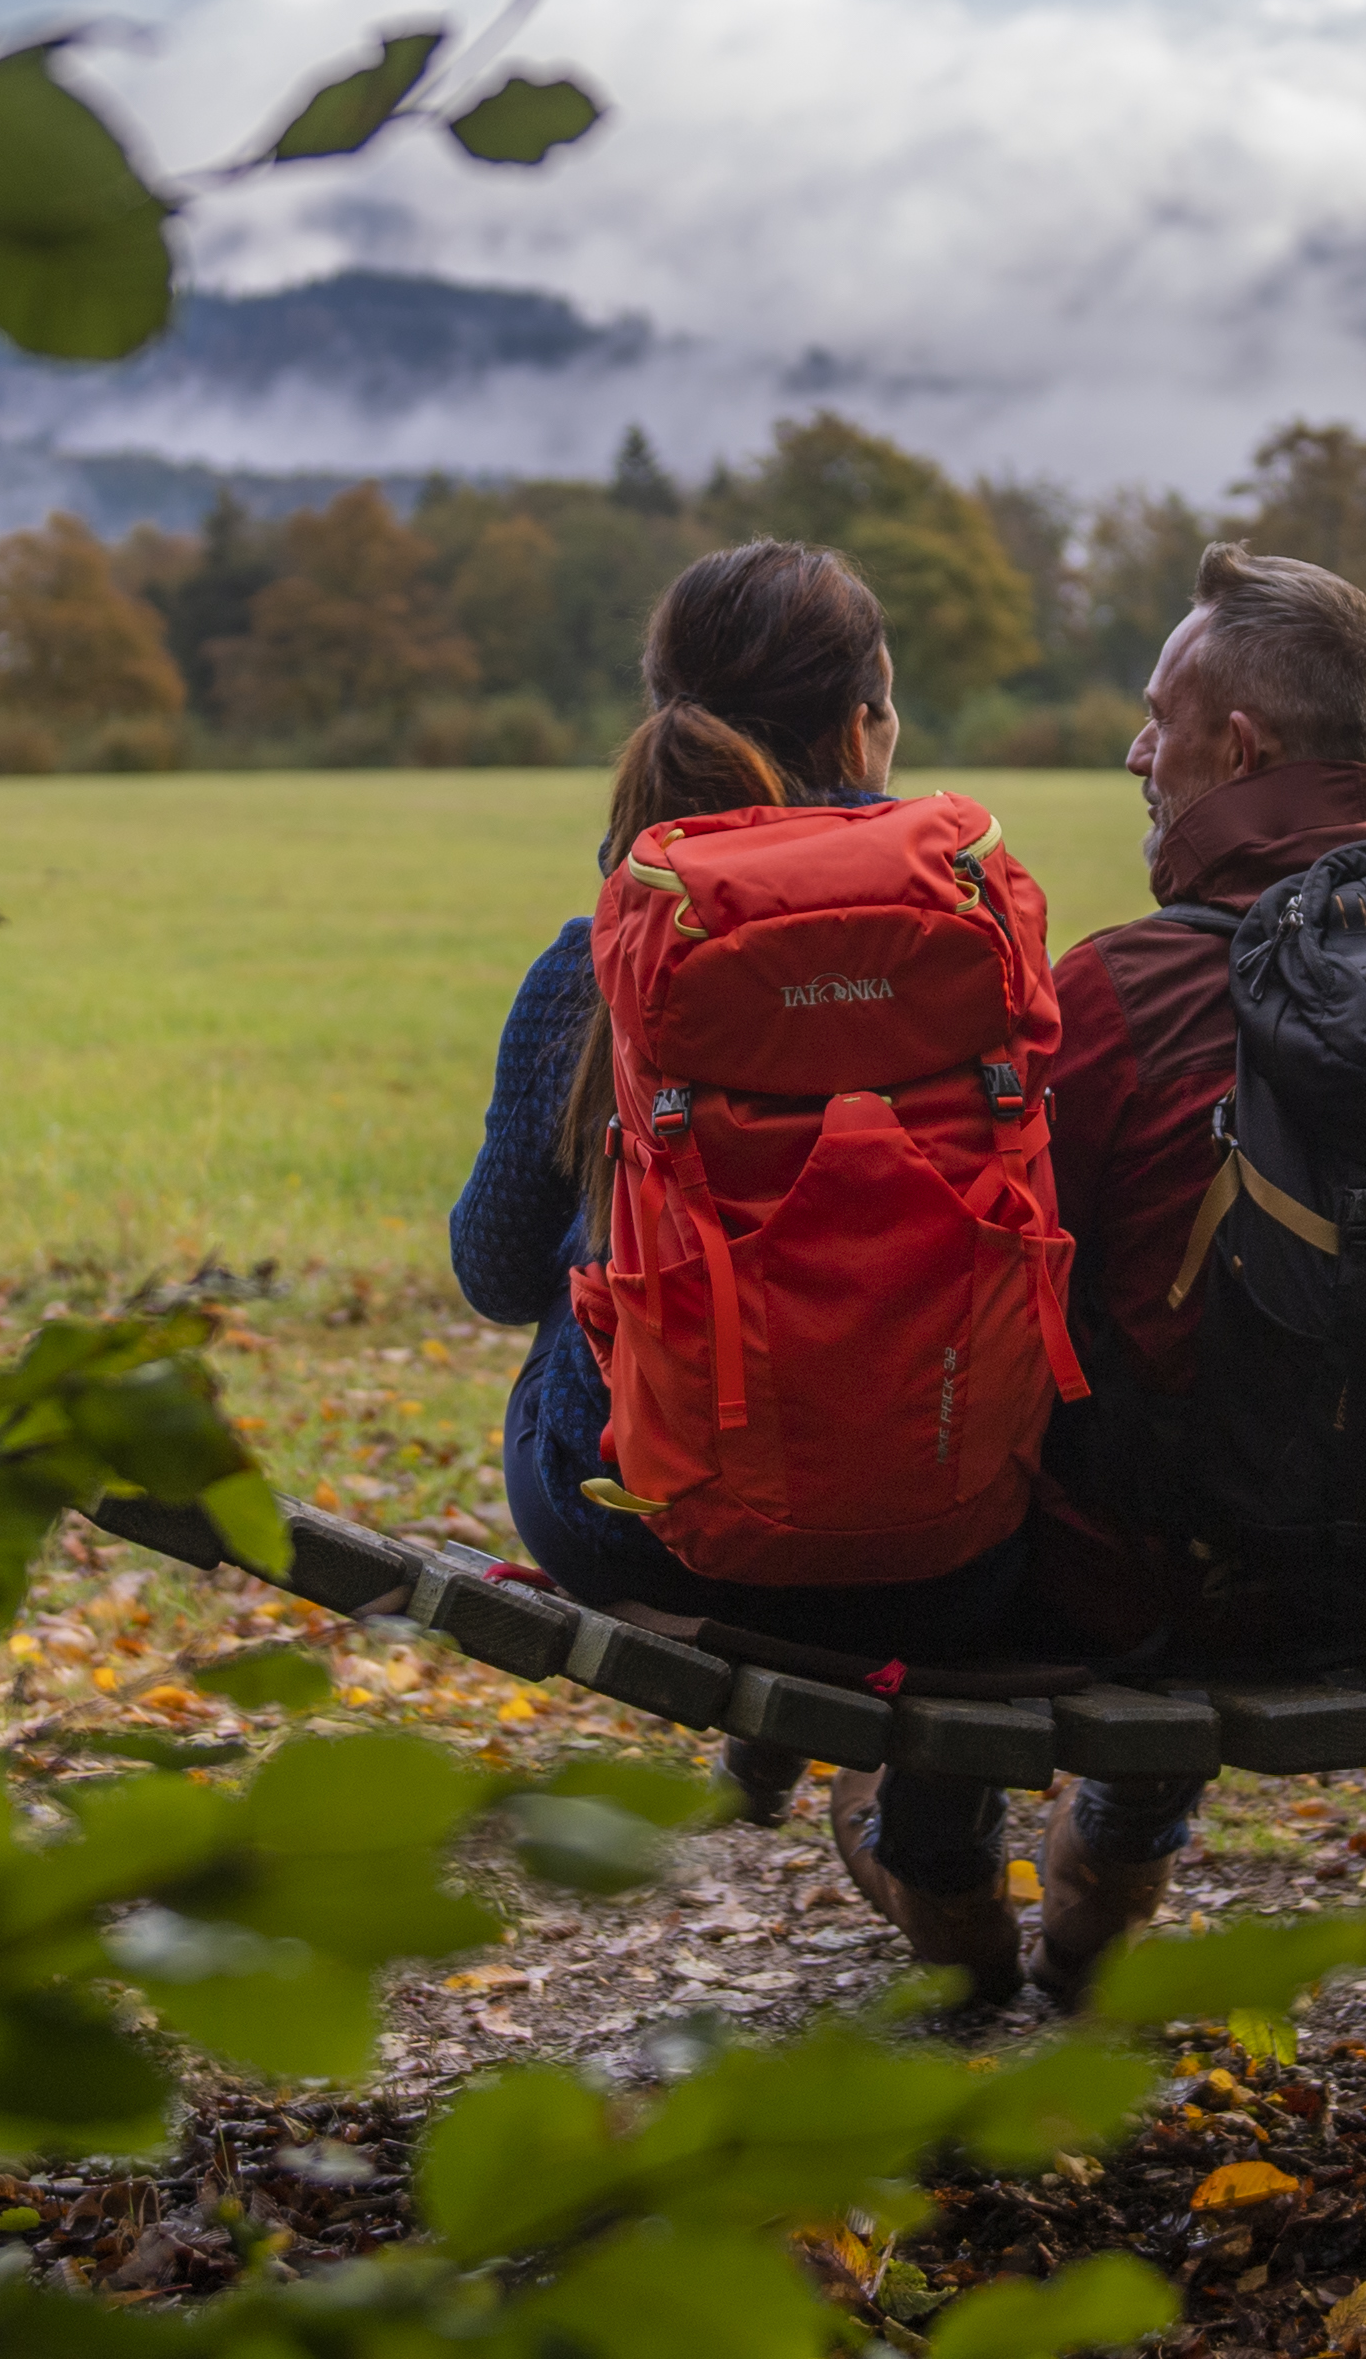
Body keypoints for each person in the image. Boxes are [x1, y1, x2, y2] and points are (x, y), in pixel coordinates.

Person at [449, 540, 1053, 2005]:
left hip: (654, 1529)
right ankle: (918, 1810)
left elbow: (490, 1268)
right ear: (868, 723)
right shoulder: (974, 933)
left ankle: (769, 1663)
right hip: (962, 1535)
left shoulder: (593, 959)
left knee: (575, 1325)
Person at [1016, 540, 1366, 2002]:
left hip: (1186, 1589)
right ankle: (1109, 1867)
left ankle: (923, 1831)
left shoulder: (1124, 990)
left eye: (1157, 717)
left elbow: (999, 1299)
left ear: (1235, 746)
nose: (1137, 751)